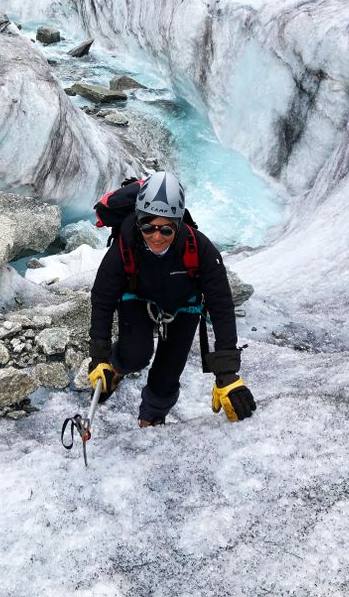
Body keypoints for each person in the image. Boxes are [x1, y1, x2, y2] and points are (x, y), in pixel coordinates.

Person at [88, 171, 256, 427]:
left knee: (167, 374)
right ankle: (116, 368)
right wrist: (99, 358)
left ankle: (151, 421)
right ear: (139, 222)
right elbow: (102, 298)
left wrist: (226, 373)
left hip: (184, 306)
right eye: (148, 227)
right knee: (135, 355)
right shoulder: (124, 246)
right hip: (137, 298)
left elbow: (221, 305)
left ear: (178, 224)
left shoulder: (199, 248)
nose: (156, 237)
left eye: (166, 229)